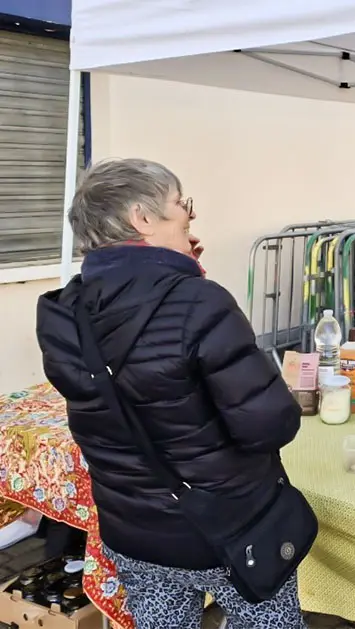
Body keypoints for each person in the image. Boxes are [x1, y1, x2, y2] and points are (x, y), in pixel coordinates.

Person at [36, 158, 307, 629]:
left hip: (132, 533)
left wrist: (181, 273)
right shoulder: (200, 301)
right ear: (142, 218)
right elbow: (269, 425)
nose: (190, 214)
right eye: (181, 203)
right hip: (225, 530)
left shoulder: (63, 312)